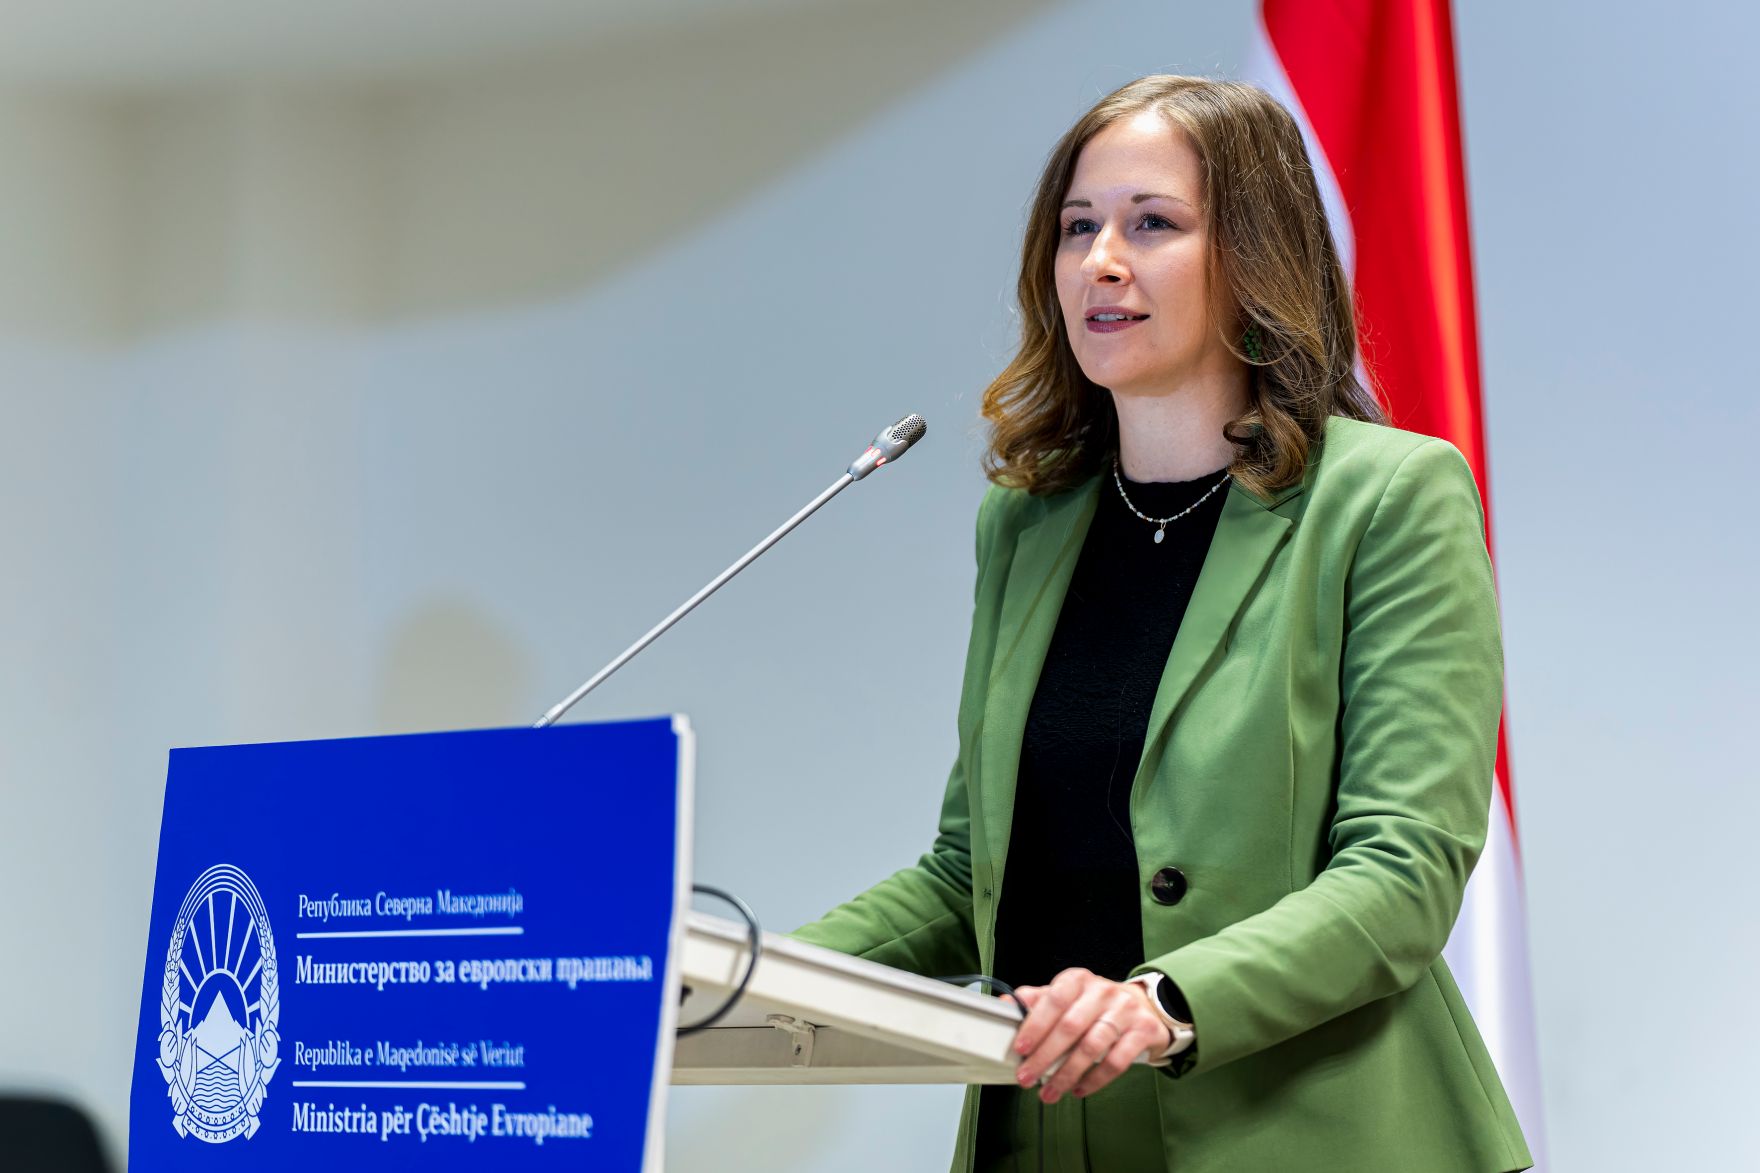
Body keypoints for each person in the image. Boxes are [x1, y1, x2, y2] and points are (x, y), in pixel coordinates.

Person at [792, 75, 1532, 1173]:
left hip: (1307, 1131)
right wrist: (737, 974)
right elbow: (968, 874)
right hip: (1043, 1126)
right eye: (1076, 227)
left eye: (1151, 224)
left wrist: (1162, 1003)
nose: (1100, 260)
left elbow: (1400, 870)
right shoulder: (1028, 524)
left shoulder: (1387, 497)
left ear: (1251, 255)